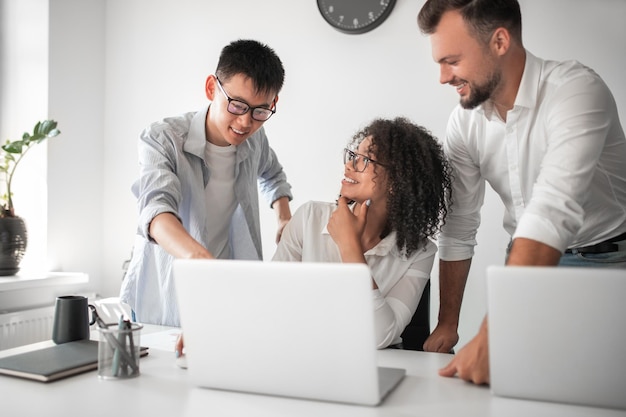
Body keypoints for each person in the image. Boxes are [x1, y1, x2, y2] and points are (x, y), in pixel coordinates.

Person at [416, 0, 626, 385]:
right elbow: (459, 224)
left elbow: (552, 210)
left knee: (598, 388)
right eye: (439, 63)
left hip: (609, 264)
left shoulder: (576, 90)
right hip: (524, 263)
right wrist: (448, 324)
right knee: (519, 387)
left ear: (499, 41)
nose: (443, 77)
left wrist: (494, 331)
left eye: (452, 61)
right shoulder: (464, 123)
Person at [120, 39, 293, 327]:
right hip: (167, 294)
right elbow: (155, 212)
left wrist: (284, 217)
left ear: (273, 103)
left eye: (260, 112)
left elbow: (273, 175)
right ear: (212, 88)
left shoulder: (255, 141)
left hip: (228, 291)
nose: (246, 123)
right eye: (237, 105)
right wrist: (199, 259)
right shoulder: (162, 138)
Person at [272, 117, 452, 349]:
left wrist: (350, 246)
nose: (349, 166)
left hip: (376, 366)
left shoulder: (421, 252)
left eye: (365, 160)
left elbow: (380, 337)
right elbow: (274, 302)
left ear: (397, 181)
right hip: (302, 354)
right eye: (353, 156)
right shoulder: (309, 217)